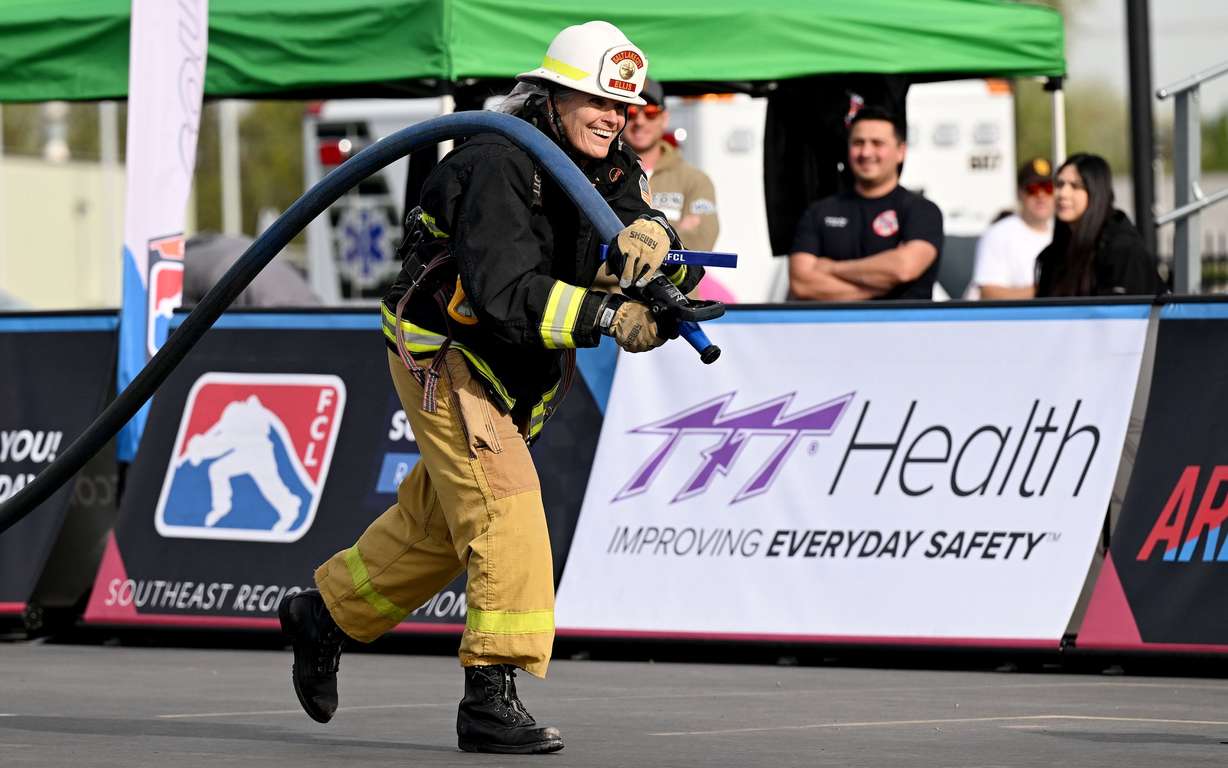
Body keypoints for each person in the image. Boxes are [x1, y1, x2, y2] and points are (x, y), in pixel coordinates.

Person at [276, 20, 701, 755]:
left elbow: (632, 225)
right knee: (506, 509)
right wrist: (608, 313)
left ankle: (326, 615)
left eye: (622, 106)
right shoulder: (497, 162)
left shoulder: (603, 157)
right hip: (448, 352)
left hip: (513, 368)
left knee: (438, 528)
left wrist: (661, 240)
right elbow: (505, 293)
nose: (612, 118)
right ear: (553, 93)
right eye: (596, 100)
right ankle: (490, 699)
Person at [787, 107, 943, 301]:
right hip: (836, 330)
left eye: (877, 143)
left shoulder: (922, 211)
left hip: (903, 330)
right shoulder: (819, 212)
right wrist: (882, 287)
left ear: (901, 151)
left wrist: (832, 268)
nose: (866, 152)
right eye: (858, 143)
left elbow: (903, 269)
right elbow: (802, 284)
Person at [1035, 153, 1162, 297]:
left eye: (1075, 186)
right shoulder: (1054, 254)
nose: (1063, 193)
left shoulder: (1122, 249)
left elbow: (1125, 314)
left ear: (1096, 192)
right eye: (1059, 184)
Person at [623, 78, 720, 251]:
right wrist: (676, 228)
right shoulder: (603, 173)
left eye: (650, 112)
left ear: (665, 118)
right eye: (631, 112)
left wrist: (631, 235)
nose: (640, 121)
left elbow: (701, 242)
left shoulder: (695, 180)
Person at [965, 158, 1055, 299]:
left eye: (1048, 187)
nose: (1041, 195)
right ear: (1019, 193)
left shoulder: (1063, 234)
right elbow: (989, 293)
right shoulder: (999, 234)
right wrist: (1047, 291)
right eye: (1033, 189)